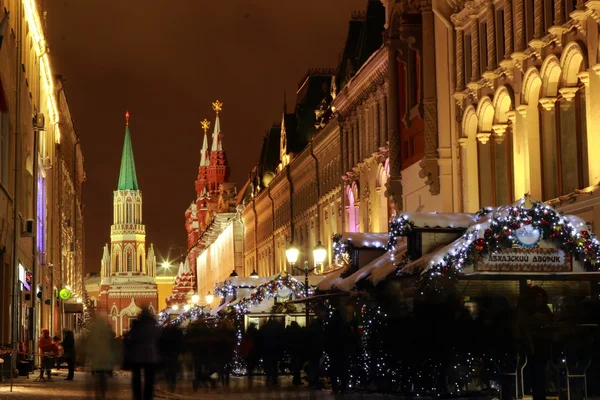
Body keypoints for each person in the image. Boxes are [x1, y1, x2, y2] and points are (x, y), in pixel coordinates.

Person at [127, 306, 161, 400]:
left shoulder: (136, 325)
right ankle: (148, 397)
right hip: (151, 356)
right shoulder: (153, 324)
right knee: (149, 379)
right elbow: (159, 338)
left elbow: (130, 338)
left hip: (137, 356)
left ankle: (137, 396)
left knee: (136, 379)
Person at [87, 315, 117, 400]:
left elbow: (89, 347)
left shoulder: (93, 336)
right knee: (104, 376)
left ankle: (99, 393)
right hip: (107, 359)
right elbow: (114, 347)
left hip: (97, 360)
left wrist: (86, 356)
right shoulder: (110, 336)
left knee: (99, 376)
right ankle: (104, 390)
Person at [159, 321, 184, 393]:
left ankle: (171, 382)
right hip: (172, 352)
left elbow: (160, 342)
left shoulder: (164, 332)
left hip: (169, 352)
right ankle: (171, 382)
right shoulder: (176, 332)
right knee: (171, 368)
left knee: (169, 368)